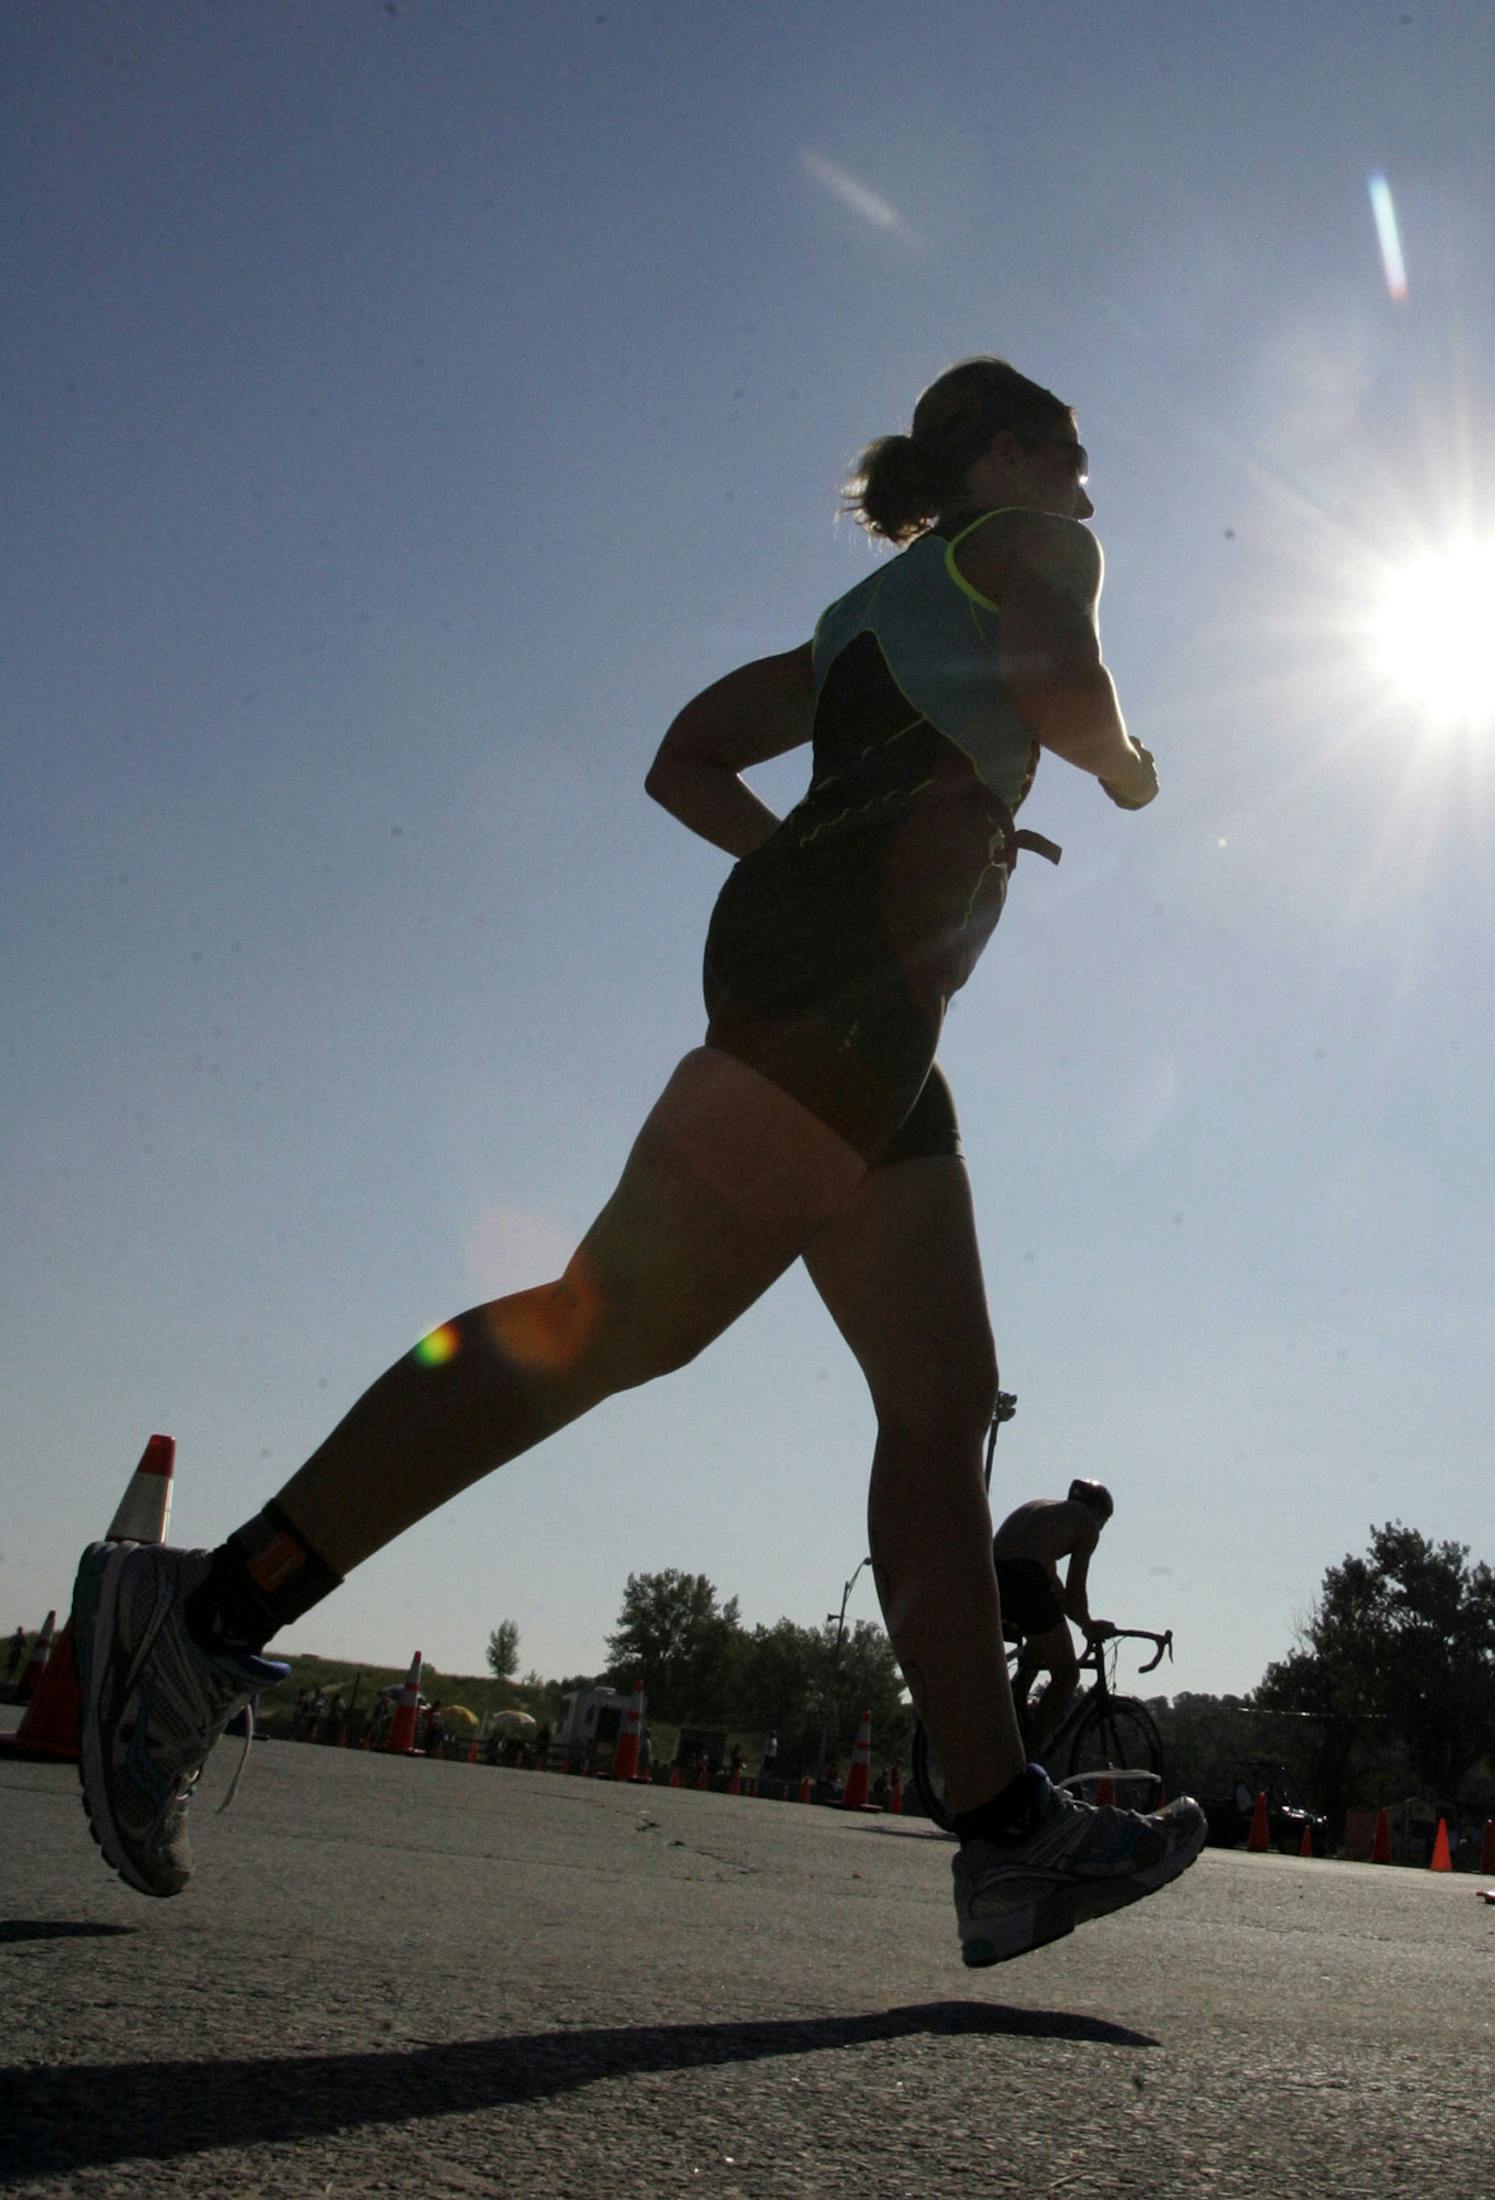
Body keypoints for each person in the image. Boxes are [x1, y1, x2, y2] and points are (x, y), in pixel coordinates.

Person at [68, 357, 1207, 1969]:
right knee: (603, 1327)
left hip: (866, 1003)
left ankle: (1008, 1834)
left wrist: (808, 853)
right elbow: (1071, 690)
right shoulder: (1035, 547)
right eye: (1070, 452)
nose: (1089, 487)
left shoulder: (862, 616)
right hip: (845, 992)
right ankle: (201, 1621)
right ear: (1004, 456)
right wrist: (1129, 766)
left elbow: (684, 755)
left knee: (941, 1401)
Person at [992, 1479, 1116, 1754]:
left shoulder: (1042, 1511)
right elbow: (1075, 1589)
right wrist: (1089, 1626)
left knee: (1040, 1646)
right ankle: (1030, 1758)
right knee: (1067, 1673)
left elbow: (1061, 1600)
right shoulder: (1086, 1523)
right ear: (1098, 1513)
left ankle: (1011, 1707)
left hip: (992, 1575)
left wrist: (1081, 1620)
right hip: (1025, 1576)